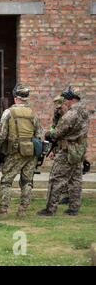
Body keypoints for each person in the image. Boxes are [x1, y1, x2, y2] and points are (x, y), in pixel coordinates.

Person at [38, 87, 89, 216]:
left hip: (67, 151)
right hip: (79, 150)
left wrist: (49, 134)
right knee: (75, 179)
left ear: (72, 99)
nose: (64, 101)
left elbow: (58, 132)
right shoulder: (84, 113)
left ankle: (50, 209)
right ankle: (74, 208)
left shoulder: (71, 114)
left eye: (66, 98)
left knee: (56, 179)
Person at [0, 84, 42, 217]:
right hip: (31, 151)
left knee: (6, 181)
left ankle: (3, 210)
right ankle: (23, 210)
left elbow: (2, 134)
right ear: (26, 99)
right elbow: (39, 134)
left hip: (14, 151)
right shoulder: (33, 113)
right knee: (27, 181)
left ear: (16, 98)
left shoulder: (9, 112)